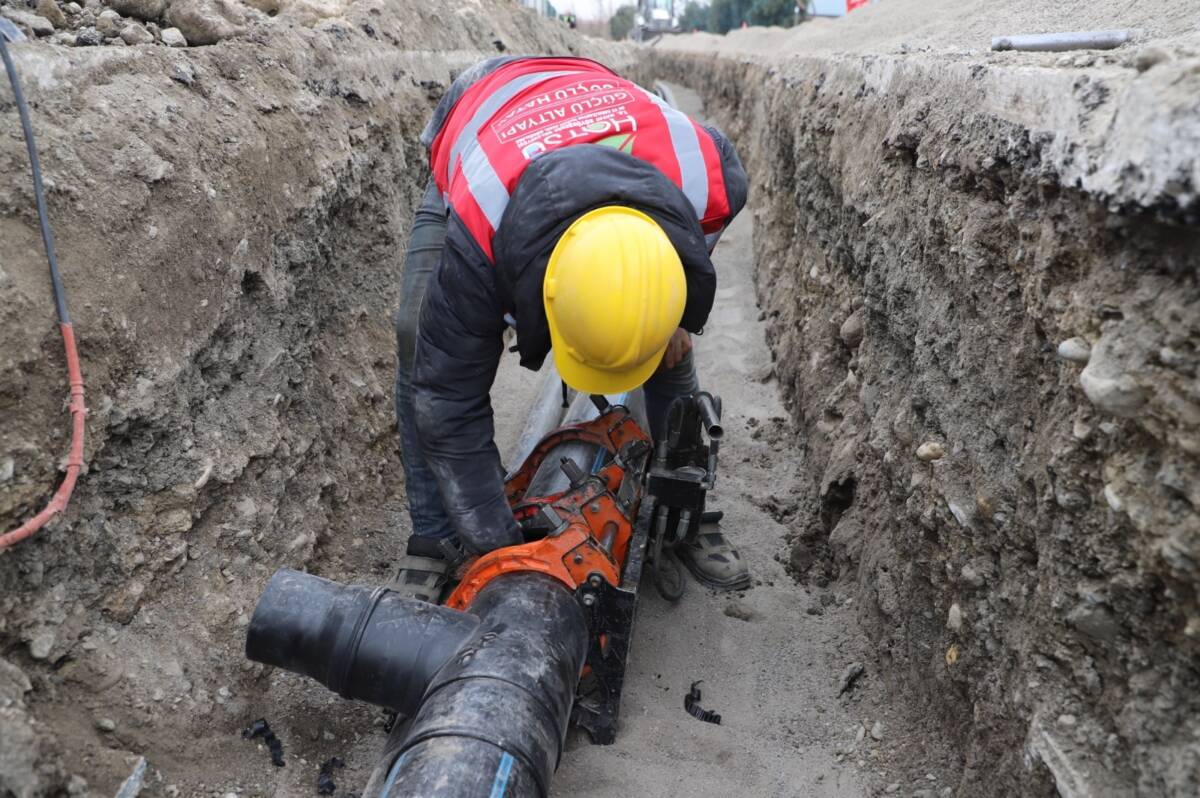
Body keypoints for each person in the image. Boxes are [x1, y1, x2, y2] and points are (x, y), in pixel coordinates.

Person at [392, 56, 749, 602]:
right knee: (420, 338)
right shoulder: (481, 229)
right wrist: (502, 551)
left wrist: (673, 317)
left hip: (594, 102)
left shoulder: (707, 172)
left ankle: (683, 502)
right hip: (486, 114)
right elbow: (447, 399)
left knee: (663, 337)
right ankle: (434, 539)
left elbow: (688, 256)